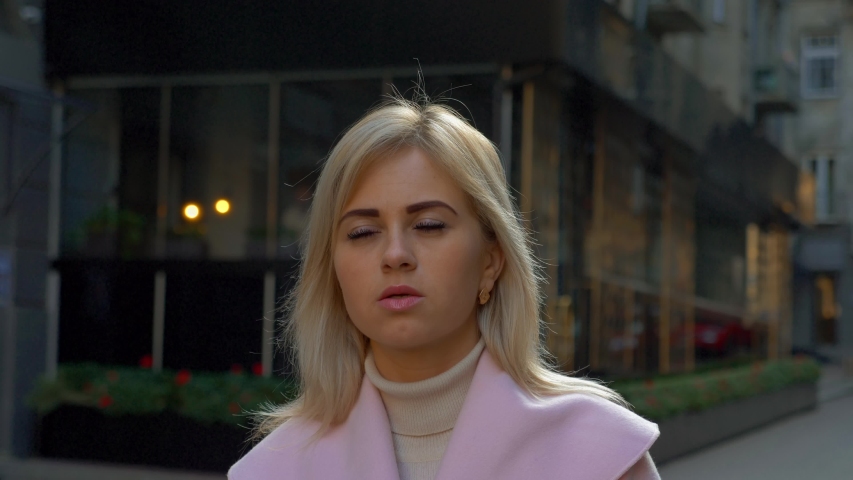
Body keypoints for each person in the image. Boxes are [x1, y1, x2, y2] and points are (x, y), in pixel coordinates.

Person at [228, 93, 660, 480]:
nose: (395, 253)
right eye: (362, 232)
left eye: (429, 225)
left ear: (491, 262)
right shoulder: (278, 466)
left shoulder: (601, 456)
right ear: (333, 272)